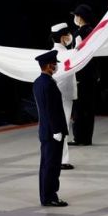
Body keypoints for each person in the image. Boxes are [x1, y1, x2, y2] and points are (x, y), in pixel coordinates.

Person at [33, 50, 69, 207]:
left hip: (45, 130)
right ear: (48, 66)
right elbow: (50, 110)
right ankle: (50, 196)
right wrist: (56, 130)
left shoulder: (38, 82)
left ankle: (45, 195)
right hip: (52, 131)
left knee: (46, 165)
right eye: (54, 64)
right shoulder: (48, 84)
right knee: (52, 166)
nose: (56, 67)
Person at [68, 4, 99, 146]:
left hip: (81, 75)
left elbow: (77, 54)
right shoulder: (94, 32)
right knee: (89, 107)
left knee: (79, 108)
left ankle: (79, 137)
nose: (75, 18)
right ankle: (87, 138)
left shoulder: (78, 34)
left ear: (80, 17)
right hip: (92, 75)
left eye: (76, 15)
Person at [49, 22, 77, 170]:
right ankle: (61, 160)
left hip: (60, 94)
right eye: (67, 34)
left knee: (60, 127)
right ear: (63, 37)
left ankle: (60, 159)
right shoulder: (64, 53)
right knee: (62, 127)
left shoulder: (55, 52)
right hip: (64, 95)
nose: (69, 37)